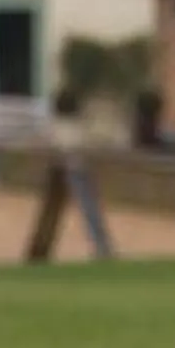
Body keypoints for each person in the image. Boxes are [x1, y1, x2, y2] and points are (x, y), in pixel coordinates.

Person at [48, 87, 116, 260]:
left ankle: (102, 247)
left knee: (89, 210)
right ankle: (102, 246)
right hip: (79, 171)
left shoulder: (63, 127)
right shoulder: (75, 126)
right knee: (91, 210)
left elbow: (65, 148)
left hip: (76, 172)